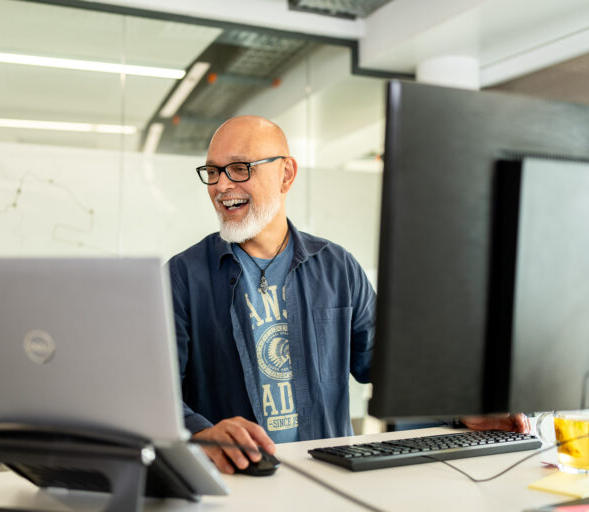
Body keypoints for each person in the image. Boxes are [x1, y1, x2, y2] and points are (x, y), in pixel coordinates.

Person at [167, 115, 529, 474]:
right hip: (239, 480)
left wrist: (465, 409)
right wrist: (202, 433)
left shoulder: (337, 267)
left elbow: (387, 367)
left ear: (286, 174)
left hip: (327, 477)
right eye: (213, 172)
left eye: (240, 168)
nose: (222, 185)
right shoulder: (183, 276)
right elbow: (157, 393)